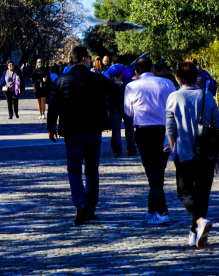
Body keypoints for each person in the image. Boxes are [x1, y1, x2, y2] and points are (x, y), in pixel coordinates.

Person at [47, 45, 123, 225]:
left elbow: (53, 106)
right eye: (88, 57)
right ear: (84, 59)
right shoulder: (97, 78)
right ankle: (90, 207)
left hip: (72, 131)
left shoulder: (61, 80)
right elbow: (118, 92)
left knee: (73, 169)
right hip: (94, 130)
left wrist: (51, 128)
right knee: (91, 169)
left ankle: (81, 203)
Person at [166, 61, 219, 248]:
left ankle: (198, 223)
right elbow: (218, 126)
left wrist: (173, 149)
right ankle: (195, 233)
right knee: (202, 193)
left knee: (184, 192)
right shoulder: (207, 96)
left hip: (184, 153)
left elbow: (171, 128)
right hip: (207, 153)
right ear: (196, 77)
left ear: (179, 78)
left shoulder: (173, 97)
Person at [124, 56, 176, 225]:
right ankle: (152, 208)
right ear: (153, 69)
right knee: (158, 170)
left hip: (144, 131)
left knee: (152, 171)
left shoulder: (131, 86)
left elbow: (129, 112)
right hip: (165, 130)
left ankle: (162, 211)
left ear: (136, 72)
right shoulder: (167, 83)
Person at [105, 56, 136, 157]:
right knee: (129, 127)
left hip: (113, 103)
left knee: (116, 128)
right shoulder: (127, 71)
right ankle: (131, 149)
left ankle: (116, 150)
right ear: (122, 62)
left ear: (112, 62)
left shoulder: (107, 73)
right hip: (126, 103)